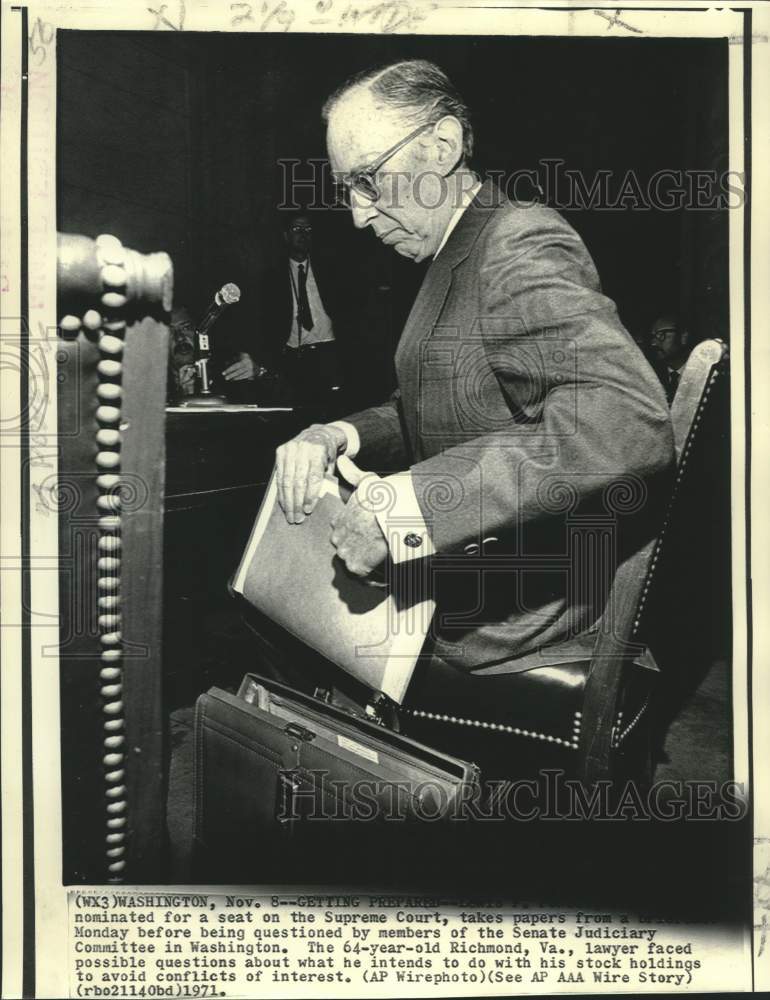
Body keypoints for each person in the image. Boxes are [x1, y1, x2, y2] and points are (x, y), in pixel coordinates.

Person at [273, 59, 674, 688]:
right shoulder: (453, 252)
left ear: (442, 146)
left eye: (367, 181)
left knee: (285, 639)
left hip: (515, 623)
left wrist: (405, 510)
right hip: (480, 580)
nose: (356, 215)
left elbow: (626, 419)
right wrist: (338, 436)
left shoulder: (515, 241)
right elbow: (431, 405)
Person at [259, 212, 345, 408]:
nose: (303, 234)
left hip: (329, 354)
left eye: (308, 230)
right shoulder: (272, 275)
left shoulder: (331, 270)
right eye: (297, 229)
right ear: (286, 235)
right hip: (293, 358)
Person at [647, 313, 693, 405]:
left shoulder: (702, 373)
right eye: (653, 337)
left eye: (661, 335)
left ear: (683, 337)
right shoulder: (651, 376)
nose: (654, 343)